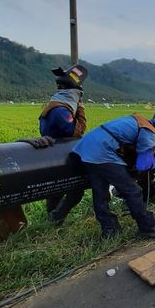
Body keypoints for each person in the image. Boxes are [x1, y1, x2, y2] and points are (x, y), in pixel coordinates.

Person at [72, 114, 155, 239]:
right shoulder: (149, 132)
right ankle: (148, 228)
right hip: (103, 152)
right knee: (133, 191)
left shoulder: (139, 120)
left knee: (100, 194)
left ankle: (110, 231)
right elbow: (143, 165)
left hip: (86, 148)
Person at [38, 64, 88, 225]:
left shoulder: (53, 106)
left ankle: (54, 219)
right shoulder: (62, 111)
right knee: (75, 191)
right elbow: (76, 132)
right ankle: (56, 218)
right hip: (62, 154)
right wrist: (81, 110)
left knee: (55, 190)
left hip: (53, 152)